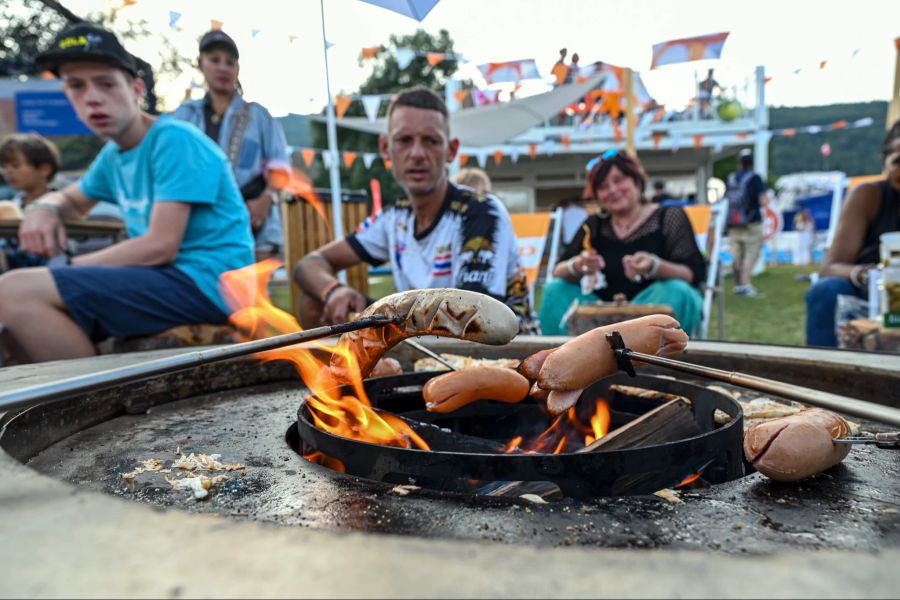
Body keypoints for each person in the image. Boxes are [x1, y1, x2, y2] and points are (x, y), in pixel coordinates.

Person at [0, 23, 254, 363]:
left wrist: (67, 267)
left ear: (135, 88)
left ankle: (94, 401)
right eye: (76, 86)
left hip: (213, 285)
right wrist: (42, 209)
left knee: (15, 291)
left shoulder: (175, 140)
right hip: (171, 279)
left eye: (105, 83)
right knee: (17, 328)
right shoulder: (114, 155)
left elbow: (159, 246)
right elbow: (70, 199)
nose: (92, 97)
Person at [293, 86, 537, 333]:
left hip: (504, 352)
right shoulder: (394, 216)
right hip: (423, 338)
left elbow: (469, 318)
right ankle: (333, 369)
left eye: (431, 141)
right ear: (385, 148)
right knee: (314, 301)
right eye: (404, 140)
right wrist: (335, 291)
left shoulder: (482, 212)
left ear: (450, 150)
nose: (417, 153)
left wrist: (377, 316)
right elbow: (309, 264)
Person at [538, 149, 705, 336]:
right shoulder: (594, 224)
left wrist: (654, 266)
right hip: (600, 317)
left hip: (651, 312)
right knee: (556, 289)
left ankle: (652, 358)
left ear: (637, 180)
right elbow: (557, 271)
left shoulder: (668, 217)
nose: (612, 190)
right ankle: (562, 359)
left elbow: (693, 274)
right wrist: (579, 265)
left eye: (618, 180)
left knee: (676, 290)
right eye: (603, 186)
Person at [172, 29, 290, 261]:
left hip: (252, 221)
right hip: (198, 222)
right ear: (200, 64)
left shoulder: (259, 116)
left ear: (237, 68)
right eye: (215, 60)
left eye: (230, 62)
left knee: (251, 292)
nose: (223, 67)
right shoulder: (184, 116)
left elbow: (281, 168)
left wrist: (266, 200)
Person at [805, 120, 900, 347]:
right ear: (884, 163)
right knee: (827, 291)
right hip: (873, 295)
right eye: (899, 161)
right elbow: (831, 266)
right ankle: (822, 376)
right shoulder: (868, 196)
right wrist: (869, 275)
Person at [0, 133, 61, 270]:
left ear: (44, 169)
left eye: (16, 165)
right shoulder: (9, 207)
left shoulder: (62, 206)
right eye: (4, 166)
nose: (7, 172)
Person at [725, 149, 766, 297]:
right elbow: (762, 201)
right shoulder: (755, 178)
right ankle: (746, 284)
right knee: (750, 254)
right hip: (751, 222)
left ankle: (738, 285)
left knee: (737, 254)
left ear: (739, 163)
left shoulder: (731, 178)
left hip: (733, 223)